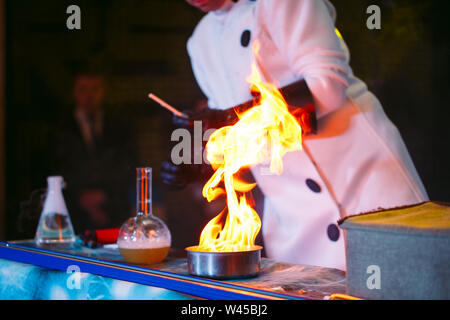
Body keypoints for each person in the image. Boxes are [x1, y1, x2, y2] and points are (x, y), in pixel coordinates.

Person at [164, 0, 428, 270]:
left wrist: (227, 118)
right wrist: (198, 164)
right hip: (295, 218)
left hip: (363, 183)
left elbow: (328, 85)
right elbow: (242, 142)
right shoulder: (200, 43)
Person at [54, 66, 136, 232]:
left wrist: (105, 195)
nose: (89, 96)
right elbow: (55, 167)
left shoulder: (119, 126)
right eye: (83, 89)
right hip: (71, 216)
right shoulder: (59, 128)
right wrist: (80, 197)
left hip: (113, 213)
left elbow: (130, 164)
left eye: (95, 89)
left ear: (103, 91)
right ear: (73, 92)